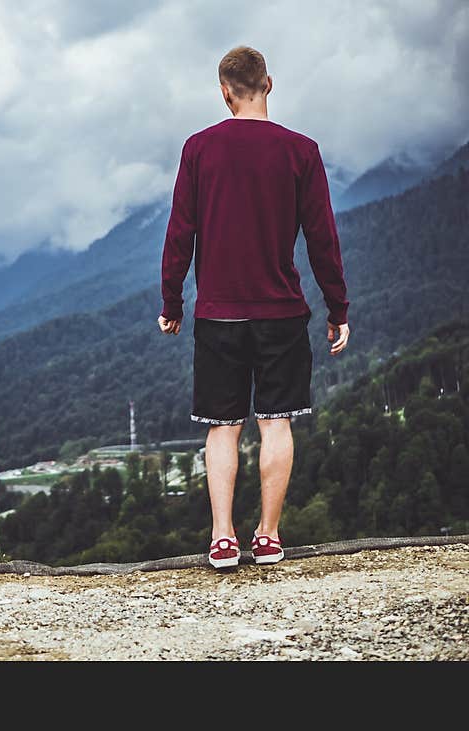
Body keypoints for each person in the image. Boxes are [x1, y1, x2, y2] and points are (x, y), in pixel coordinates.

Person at [157, 45, 350, 569]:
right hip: (282, 313)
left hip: (217, 314)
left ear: (224, 93)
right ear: (269, 84)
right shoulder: (301, 151)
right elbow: (322, 238)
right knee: (276, 423)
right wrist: (338, 308)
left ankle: (223, 538)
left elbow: (180, 233)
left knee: (222, 428)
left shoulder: (198, 149)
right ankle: (268, 537)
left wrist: (172, 301)